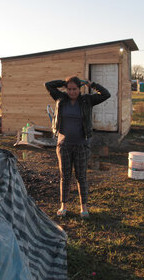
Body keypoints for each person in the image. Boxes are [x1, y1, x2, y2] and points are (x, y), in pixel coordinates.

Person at [45, 76, 110, 218]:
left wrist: (91, 84)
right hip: (63, 145)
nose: (72, 92)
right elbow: (48, 84)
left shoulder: (87, 100)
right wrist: (64, 82)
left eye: (74, 89)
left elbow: (106, 94)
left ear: (79, 88)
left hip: (82, 145)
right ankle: (64, 206)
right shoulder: (60, 98)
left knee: (81, 176)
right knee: (65, 177)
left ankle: (84, 207)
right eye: (69, 89)